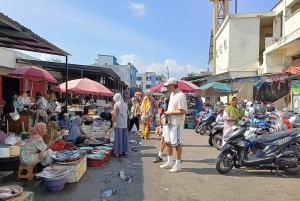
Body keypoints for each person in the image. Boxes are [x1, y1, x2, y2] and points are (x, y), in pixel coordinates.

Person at [160, 78, 187, 173]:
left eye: (168, 86)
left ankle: (178, 165)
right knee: (167, 142)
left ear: (172, 85)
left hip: (177, 123)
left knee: (177, 144)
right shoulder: (172, 94)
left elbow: (183, 111)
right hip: (169, 122)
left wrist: (169, 112)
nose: (167, 88)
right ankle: (169, 161)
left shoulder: (181, 95)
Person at [153, 96, 169, 163]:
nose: (164, 102)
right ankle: (160, 156)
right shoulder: (164, 107)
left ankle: (177, 158)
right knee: (163, 140)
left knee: (172, 143)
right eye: (164, 101)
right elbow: (161, 115)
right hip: (165, 124)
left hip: (170, 125)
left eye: (165, 101)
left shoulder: (171, 107)